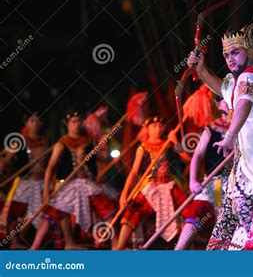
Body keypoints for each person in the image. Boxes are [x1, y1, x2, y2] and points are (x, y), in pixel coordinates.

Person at [187, 17, 253, 250]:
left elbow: (242, 104)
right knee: (244, 218)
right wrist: (201, 69)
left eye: (235, 52)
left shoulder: (250, 76)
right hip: (248, 165)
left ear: (251, 52)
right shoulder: (248, 76)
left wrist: (229, 135)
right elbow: (225, 91)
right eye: (226, 55)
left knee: (252, 223)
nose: (229, 59)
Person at [30, 111, 117, 250]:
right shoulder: (61, 144)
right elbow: (50, 167)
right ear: (67, 124)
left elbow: (103, 159)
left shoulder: (89, 141)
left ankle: (116, 246)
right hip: (68, 185)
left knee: (107, 210)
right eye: (73, 121)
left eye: (78, 121)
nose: (76, 124)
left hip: (87, 185)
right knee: (50, 213)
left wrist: (103, 148)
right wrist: (46, 190)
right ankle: (35, 247)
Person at [116, 115, 186, 250]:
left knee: (187, 210)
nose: (158, 128)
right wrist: (124, 194)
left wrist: (176, 141)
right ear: (147, 129)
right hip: (151, 186)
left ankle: (185, 248)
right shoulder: (142, 148)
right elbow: (134, 171)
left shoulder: (170, 143)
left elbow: (186, 158)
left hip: (169, 185)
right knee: (132, 212)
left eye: (160, 126)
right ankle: (119, 249)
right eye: (154, 126)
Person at [175, 97, 232, 250]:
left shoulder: (244, 128)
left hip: (237, 183)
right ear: (218, 104)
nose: (229, 102)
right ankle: (179, 250)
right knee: (198, 209)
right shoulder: (211, 130)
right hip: (215, 183)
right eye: (224, 99)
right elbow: (197, 156)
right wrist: (193, 181)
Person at [0, 113, 50, 249]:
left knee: (38, 213)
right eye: (32, 120)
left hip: (41, 183)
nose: (36, 122)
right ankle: (14, 242)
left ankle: (24, 239)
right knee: (15, 211)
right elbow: (5, 160)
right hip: (25, 182)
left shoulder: (46, 140)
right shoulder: (20, 140)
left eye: (38, 119)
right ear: (26, 123)